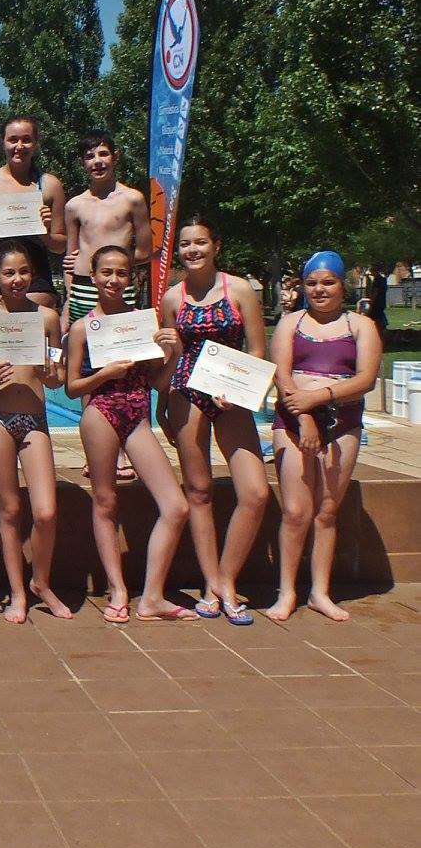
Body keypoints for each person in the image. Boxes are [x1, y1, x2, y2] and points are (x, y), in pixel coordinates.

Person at [65, 245, 193, 622]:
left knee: (176, 506)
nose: (113, 280)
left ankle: (152, 595)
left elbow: (158, 382)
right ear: (93, 275)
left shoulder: (144, 323)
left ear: (131, 277)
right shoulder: (81, 327)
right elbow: (73, 387)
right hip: (101, 412)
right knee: (105, 502)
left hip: (137, 415)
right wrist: (105, 374)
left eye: (121, 273)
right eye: (106, 272)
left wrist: (176, 354)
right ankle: (117, 589)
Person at [160, 217, 269, 626]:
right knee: (199, 491)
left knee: (255, 493)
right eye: (186, 243)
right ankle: (211, 585)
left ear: (216, 245)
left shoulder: (239, 289)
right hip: (186, 394)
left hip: (231, 396)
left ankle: (227, 577)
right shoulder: (173, 298)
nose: (192, 250)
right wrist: (161, 405)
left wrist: (239, 393)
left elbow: (258, 351)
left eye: (200, 242)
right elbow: (170, 358)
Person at [268, 250, 382, 622]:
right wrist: (305, 417)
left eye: (328, 282)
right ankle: (286, 592)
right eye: (312, 283)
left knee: (327, 510)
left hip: (343, 422)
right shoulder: (290, 322)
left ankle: (319, 591)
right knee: (296, 510)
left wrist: (319, 397)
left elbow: (365, 379)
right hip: (294, 420)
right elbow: (282, 376)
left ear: (341, 285)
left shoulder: (361, 326)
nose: (319, 289)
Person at [0, 241, 72, 622]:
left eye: (24, 271)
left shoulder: (46, 318)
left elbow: (56, 378)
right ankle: (18, 592)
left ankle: (41, 582)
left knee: (46, 512)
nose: (17, 279)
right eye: (9, 273)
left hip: (34, 420)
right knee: (11, 508)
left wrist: (51, 373)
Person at [0, 114, 67, 312]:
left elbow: (60, 246)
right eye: (13, 139)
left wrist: (45, 234)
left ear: (36, 143)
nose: (19, 146)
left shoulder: (50, 185)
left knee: (32, 339)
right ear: (2, 142)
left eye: (26, 139)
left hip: (35, 278)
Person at [62, 131, 151, 326]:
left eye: (103, 154)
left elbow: (144, 251)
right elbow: (71, 257)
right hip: (82, 287)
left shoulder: (132, 199)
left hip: (117, 287)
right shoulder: (74, 205)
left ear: (115, 157)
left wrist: (115, 269)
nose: (97, 161)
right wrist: (69, 296)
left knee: (119, 347)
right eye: (89, 156)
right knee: (80, 347)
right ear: (82, 163)